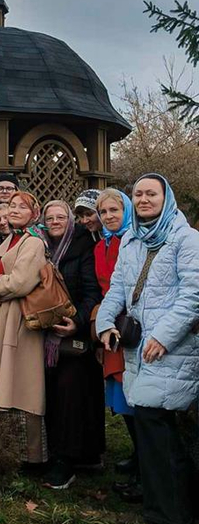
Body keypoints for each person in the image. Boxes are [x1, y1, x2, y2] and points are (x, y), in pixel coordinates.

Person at [97, 174, 199, 524]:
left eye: (150, 193)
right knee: (153, 432)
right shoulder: (132, 239)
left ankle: (172, 520)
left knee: (163, 434)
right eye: (138, 193)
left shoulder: (185, 238)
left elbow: (193, 294)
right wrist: (105, 322)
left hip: (170, 349)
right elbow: (120, 289)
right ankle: (166, 508)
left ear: (165, 197)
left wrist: (164, 337)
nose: (143, 199)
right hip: (139, 348)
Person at [41, 200, 103, 490]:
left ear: (70, 220)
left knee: (73, 396)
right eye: (50, 217)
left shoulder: (82, 245)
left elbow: (92, 290)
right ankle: (56, 451)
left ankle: (68, 458)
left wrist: (76, 320)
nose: (55, 222)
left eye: (60, 217)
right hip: (43, 332)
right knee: (51, 395)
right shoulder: (38, 246)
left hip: (72, 333)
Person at [0, 191, 49, 466]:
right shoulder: (11, 240)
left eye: (22, 206)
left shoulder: (33, 242)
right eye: (11, 205)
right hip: (3, 318)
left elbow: (20, 283)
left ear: (34, 213)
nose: (14, 210)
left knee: (22, 385)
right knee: (5, 380)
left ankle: (29, 455)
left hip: (21, 323)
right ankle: (6, 451)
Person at [94, 188, 139, 500]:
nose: (109, 216)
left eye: (115, 210)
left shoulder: (134, 242)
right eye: (104, 212)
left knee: (138, 399)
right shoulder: (101, 245)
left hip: (133, 329)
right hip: (111, 329)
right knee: (122, 398)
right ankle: (139, 455)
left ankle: (145, 468)